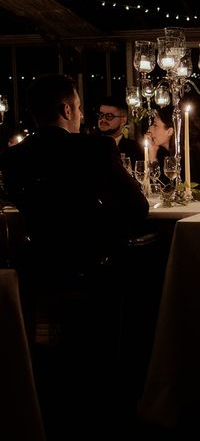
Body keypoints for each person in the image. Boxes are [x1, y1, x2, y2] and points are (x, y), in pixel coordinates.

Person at [0, 74, 149, 437]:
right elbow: (136, 209)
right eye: (81, 107)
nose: (82, 114)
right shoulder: (94, 150)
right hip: (96, 269)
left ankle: (54, 401)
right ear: (67, 109)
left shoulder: (12, 158)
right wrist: (98, 226)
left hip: (40, 268)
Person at [97, 95, 144, 163]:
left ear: (123, 120)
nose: (103, 119)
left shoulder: (134, 148)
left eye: (109, 116)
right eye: (101, 115)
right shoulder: (91, 144)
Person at [146, 106, 176, 185]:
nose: (150, 129)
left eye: (155, 125)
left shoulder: (190, 153)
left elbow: (167, 188)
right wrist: (152, 154)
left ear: (170, 131)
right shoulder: (162, 153)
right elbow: (155, 186)